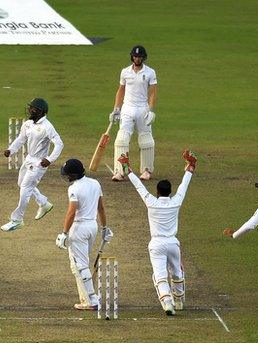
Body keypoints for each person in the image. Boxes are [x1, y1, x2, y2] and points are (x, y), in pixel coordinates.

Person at [118, 150, 197, 315]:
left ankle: (167, 303)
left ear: (158, 191)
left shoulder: (151, 202)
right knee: (177, 272)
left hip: (157, 244)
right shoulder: (176, 201)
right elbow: (184, 185)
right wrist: (190, 167)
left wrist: (127, 166)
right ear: (169, 191)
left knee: (160, 275)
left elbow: (138, 186)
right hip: (173, 243)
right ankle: (179, 301)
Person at [55, 159, 113, 310]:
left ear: (73, 175)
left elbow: (71, 212)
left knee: (80, 265)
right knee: (79, 264)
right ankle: (85, 298)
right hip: (92, 227)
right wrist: (105, 227)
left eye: (67, 175)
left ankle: (92, 301)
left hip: (79, 229)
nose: (66, 177)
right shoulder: (95, 183)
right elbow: (101, 208)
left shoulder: (74, 188)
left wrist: (64, 233)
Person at [0, 97, 64, 232]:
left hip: (39, 163)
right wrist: (11, 150)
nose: (29, 110)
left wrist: (50, 159)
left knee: (25, 187)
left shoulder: (47, 127)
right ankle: (43, 203)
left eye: (32, 108)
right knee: (21, 183)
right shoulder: (27, 124)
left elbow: (59, 143)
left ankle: (17, 220)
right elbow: (20, 139)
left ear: (40, 111)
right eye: (30, 107)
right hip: (29, 159)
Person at [109, 45, 158, 181]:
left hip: (143, 108)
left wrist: (151, 110)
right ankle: (120, 171)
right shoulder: (125, 72)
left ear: (143, 57)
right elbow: (120, 90)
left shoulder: (150, 72)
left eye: (140, 56)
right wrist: (116, 109)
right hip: (127, 108)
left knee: (146, 140)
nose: (137, 58)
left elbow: (153, 92)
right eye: (135, 56)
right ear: (132, 57)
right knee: (122, 139)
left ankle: (146, 170)